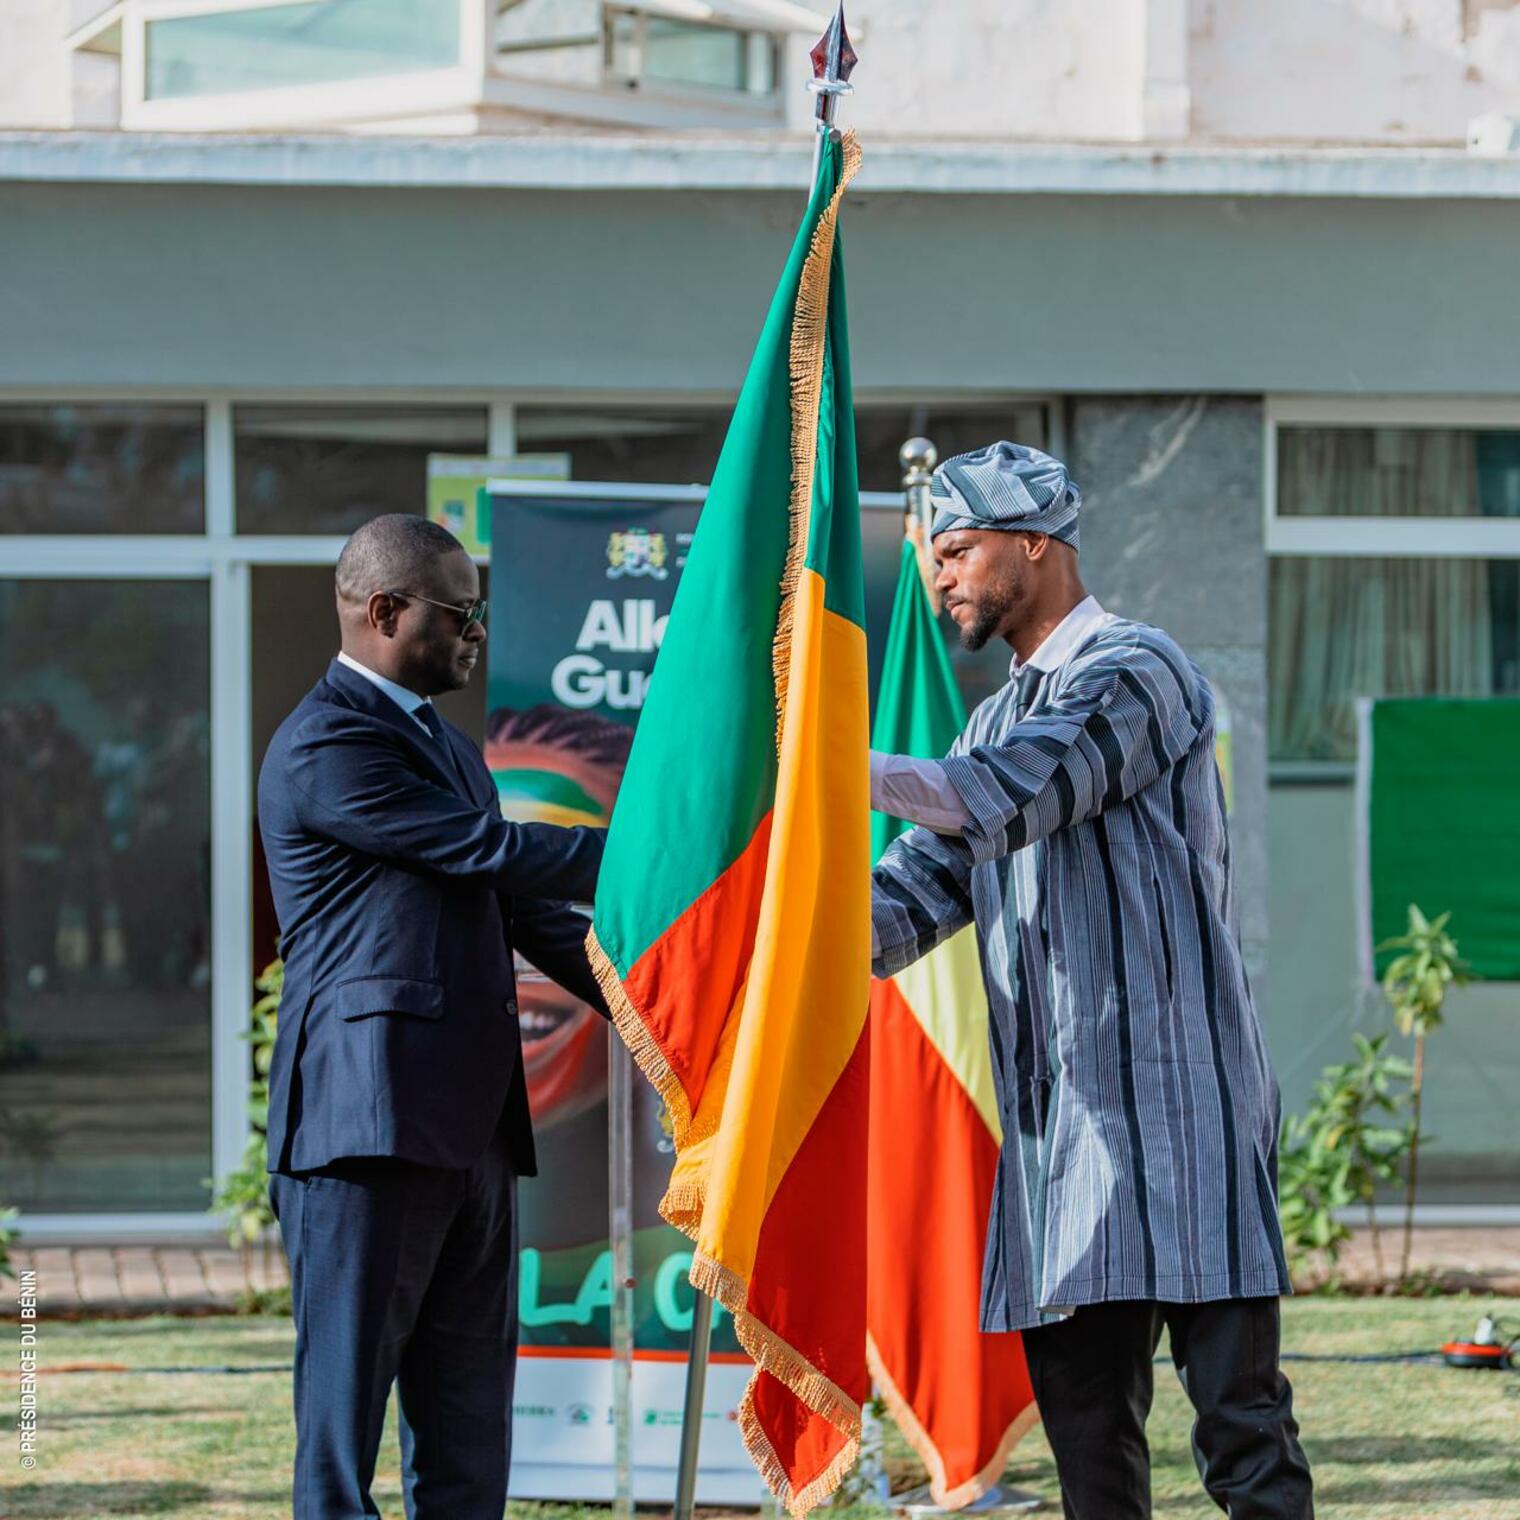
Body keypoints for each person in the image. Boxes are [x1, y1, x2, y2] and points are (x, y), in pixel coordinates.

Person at [870, 442, 1314, 1520]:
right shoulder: (987, 723)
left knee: (1242, 1437)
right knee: (1091, 1460)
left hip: (1183, 1119)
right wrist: (752, 923)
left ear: (1035, 544)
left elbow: (1010, 793)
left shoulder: (1136, 668)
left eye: (957, 550)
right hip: (1058, 1145)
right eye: (934, 556)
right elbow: (906, 903)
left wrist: (828, 762)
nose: (938, 575)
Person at [257, 514, 607, 1520]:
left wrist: (663, 1011)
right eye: (461, 613)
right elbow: (488, 852)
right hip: (363, 1132)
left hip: (471, 1133)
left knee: (468, 1431)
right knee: (343, 1437)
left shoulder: (445, 746)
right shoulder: (326, 743)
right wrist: (658, 856)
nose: (477, 632)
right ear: (383, 612)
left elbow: (525, 914)